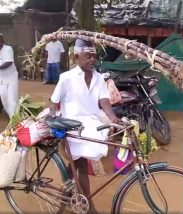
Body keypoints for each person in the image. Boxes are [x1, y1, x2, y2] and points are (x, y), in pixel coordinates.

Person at [48, 39, 120, 212]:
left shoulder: (98, 78)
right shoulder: (66, 78)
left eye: (94, 56)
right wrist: (54, 120)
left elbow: (104, 100)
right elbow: (53, 102)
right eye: (88, 56)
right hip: (71, 125)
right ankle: (89, 207)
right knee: (81, 165)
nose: (92, 59)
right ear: (76, 57)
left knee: (77, 161)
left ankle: (66, 191)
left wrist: (113, 118)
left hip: (90, 124)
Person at [0, 33, 18, 118]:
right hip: (1, 78)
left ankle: (14, 119)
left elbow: (9, 62)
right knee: (4, 99)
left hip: (11, 77)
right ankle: (11, 117)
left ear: (2, 40)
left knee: (12, 99)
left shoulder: (8, 49)